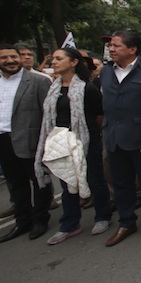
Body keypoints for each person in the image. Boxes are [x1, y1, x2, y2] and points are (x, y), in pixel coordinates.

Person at [35, 48, 112, 245]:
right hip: (60, 141)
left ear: (73, 62)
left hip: (86, 140)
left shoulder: (87, 89)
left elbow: (99, 115)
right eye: (53, 59)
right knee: (67, 181)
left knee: (95, 179)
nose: (55, 62)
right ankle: (69, 224)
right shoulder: (53, 89)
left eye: (59, 59)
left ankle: (103, 216)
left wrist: (85, 135)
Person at [101, 30, 141, 247]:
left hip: (140, 137)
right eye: (111, 46)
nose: (111, 49)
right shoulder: (106, 72)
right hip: (113, 137)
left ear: (132, 49)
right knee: (121, 183)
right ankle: (126, 221)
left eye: (116, 45)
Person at [0, 44, 52, 243]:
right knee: (16, 183)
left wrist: (47, 141)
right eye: (4, 58)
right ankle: (22, 220)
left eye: (13, 56)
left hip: (31, 139)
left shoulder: (38, 81)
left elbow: (48, 114)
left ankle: (41, 219)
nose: (10, 61)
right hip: (3, 140)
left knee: (39, 180)